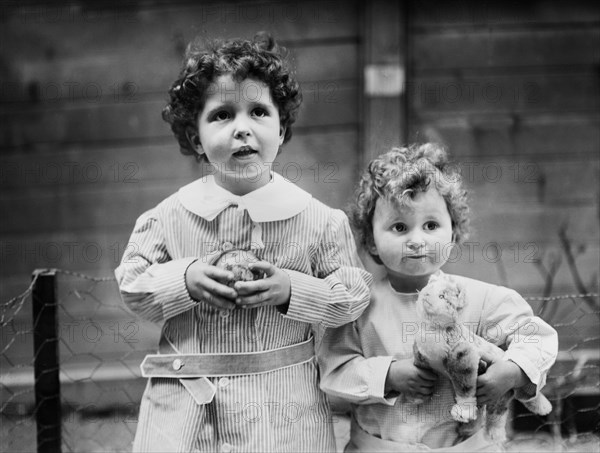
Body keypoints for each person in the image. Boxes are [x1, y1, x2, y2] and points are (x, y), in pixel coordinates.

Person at [115, 32, 372, 452]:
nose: (242, 129)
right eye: (221, 115)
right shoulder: (167, 218)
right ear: (196, 139)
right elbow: (132, 283)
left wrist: (293, 289)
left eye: (258, 112)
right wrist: (184, 279)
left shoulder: (319, 221)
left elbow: (352, 294)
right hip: (187, 402)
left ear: (282, 128)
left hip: (285, 402)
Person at [317, 144, 558, 452]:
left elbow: (537, 337)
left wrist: (511, 371)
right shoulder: (358, 305)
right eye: (399, 227)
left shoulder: (482, 299)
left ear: (453, 231)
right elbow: (335, 368)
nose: (417, 240)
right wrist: (387, 375)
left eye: (431, 225)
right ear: (372, 241)